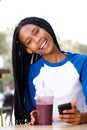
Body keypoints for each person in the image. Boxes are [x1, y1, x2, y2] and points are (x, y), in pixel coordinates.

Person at [12, 17, 87, 125]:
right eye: (29, 41)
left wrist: (82, 117)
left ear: (45, 28)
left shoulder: (82, 62)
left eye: (36, 32)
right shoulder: (31, 73)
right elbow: (33, 112)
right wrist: (34, 117)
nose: (37, 39)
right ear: (29, 49)